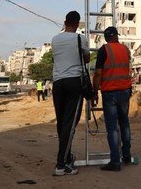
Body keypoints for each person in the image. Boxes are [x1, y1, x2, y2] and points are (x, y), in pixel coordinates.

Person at [51, 11, 90, 176]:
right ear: (77, 23)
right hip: (74, 82)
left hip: (57, 82)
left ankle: (66, 157)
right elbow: (87, 59)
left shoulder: (55, 39)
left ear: (65, 22)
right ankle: (61, 164)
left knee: (61, 123)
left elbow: (57, 59)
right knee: (70, 124)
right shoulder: (80, 38)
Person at [92, 26, 132, 172]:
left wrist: (94, 92)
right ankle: (126, 155)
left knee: (112, 128)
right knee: (124, 123)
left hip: (110, 93)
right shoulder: (125, 50)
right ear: (116, 36)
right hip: (124, 91)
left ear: (106, 38)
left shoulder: (104, 50)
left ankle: (115, 161)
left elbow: (97, 74)